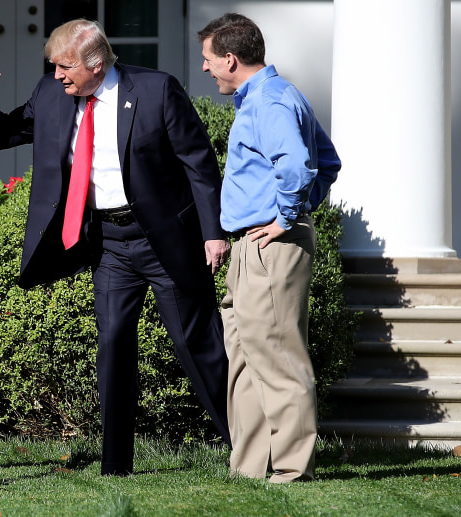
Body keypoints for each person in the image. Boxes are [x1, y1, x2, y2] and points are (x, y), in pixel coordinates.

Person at [0, 19, 231, 476]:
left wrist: (214, 231)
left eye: (65, 66)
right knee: (113, 346)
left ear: (96, 63)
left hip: (164, 239)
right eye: (54, 66)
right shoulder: (52, 94)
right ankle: (115, 465)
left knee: (197, 344)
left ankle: (246, 444)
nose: (58, 74)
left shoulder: (156, 89)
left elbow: (199, 163)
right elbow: (4, 134)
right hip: (107, 244)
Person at [198, 13, 341, 482]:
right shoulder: (263, 98)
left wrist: (287, 218)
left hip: (270, 244)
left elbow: (301, 165)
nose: (205, 69)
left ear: (231, 59)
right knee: (243, 358)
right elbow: (328, 160)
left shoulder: (272, 101)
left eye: (208, 60)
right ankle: (251, 469)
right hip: (249, 245)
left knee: (277, 356)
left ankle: (292, 471)